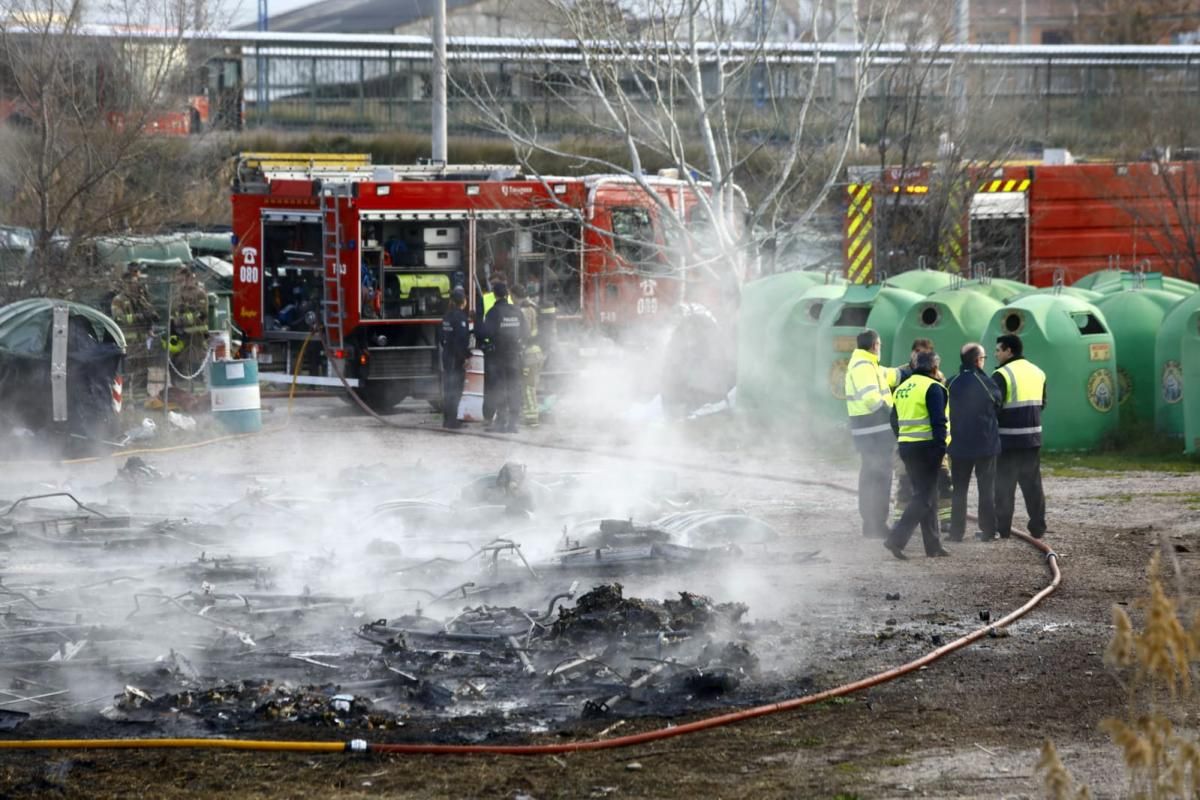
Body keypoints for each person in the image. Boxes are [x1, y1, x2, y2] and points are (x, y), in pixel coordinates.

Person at [884, 350, 951, 559]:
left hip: (907, 447)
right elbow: (939, 422)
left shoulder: (902, 388)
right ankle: (896, 539)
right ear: (934, 368)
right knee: (923, 497)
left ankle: (933, 546)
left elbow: (893, 420)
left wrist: (904, 438)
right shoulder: (934, 387)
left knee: (928, 495)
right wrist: (940, 449)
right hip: (927, 448)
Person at [844, 329, 906, 539]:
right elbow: (872, 399)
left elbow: (889, 375)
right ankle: (875, 525)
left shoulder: (867, 364)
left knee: (872, 476)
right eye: (879, 344)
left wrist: (909, 369)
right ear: (875, 345)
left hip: (869, 433)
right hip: (875, 432)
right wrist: (892, 415)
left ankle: (872, 524)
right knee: (879, 478)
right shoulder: (864, 366)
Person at [992, 333, 1047, 539]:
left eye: (998, 350)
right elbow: (1043, 403)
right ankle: (1038, 527)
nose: (996, 354)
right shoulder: (1038, 372)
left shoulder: (1002, 374)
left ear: (1009, 350)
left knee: (1004, 486)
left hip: (1008, 440)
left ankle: (1003, 528)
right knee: (1032, 485)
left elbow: (993, 407)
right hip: (1032, 439)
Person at [947, 342, 1003, 542]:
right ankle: (988, 531)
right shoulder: (985, 382)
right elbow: (998, 402)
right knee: (986, 489)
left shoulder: (951, 382)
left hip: (959, 445)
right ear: (978, 360)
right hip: (984, 444)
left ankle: (956, 533)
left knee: (959, 491)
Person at [110, 263, 159, 409]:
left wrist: (150, 316)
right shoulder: (118, 300)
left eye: (136, 283)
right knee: (125, 373)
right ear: (124, 285)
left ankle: (140, 402)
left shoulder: (141, 299)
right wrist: (140, 317)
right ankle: (124, 404)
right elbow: (119, 319)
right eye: (131, 283)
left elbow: (151, 314)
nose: (135, 286)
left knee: (142, 373)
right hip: (127, 343)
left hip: (141, 342)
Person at [481, 282, 527, 433]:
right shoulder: (517, 311)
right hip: (514, 356)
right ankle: (513, 424)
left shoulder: (493, 313)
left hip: (498, 357)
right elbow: (524, 332)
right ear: (507, 294)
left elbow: (485, 333)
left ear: (495, 294)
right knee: (514, 388)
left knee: (500, 388)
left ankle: (501, 422)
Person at [511, 284, 544, 427]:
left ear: (514, 295)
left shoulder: (522, 311)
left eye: (510, 295)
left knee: (528, 387)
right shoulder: (533, 307)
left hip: (528, 354)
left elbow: (522, 333)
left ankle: (532, 418)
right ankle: (530, 415)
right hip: (537, 352)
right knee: (531, 386)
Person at [171, 265, 209, 390]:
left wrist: (181, 320)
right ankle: (182, 393)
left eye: (183, 278)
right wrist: (173, 322)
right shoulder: (177, 294)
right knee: (180, 363)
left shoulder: (199, 293)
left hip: (196, 336)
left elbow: (201, 313)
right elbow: (174, 312)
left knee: (195, 363)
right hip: (180, 335)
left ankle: (198, 393)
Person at [439, 286, 470, 430]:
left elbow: (440, 337)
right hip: (456, 359)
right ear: (463, 301)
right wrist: (465, 357)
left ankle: (447, 419)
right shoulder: (461, 317)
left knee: (448, 389)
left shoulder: (446, 316)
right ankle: (452, 421)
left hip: (447, 356)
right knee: (455, 390)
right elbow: (462, 340)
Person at [478, 272, 505, 426]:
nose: (493, 287)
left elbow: (480, 326)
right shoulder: (510, 300)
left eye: (495, 284)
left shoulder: (486, 299)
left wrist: (483, 342)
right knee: (499, 384)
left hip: (494, 349)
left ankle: (494, 416)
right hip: (501, 349)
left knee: (493, 384)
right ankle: (495, 416)